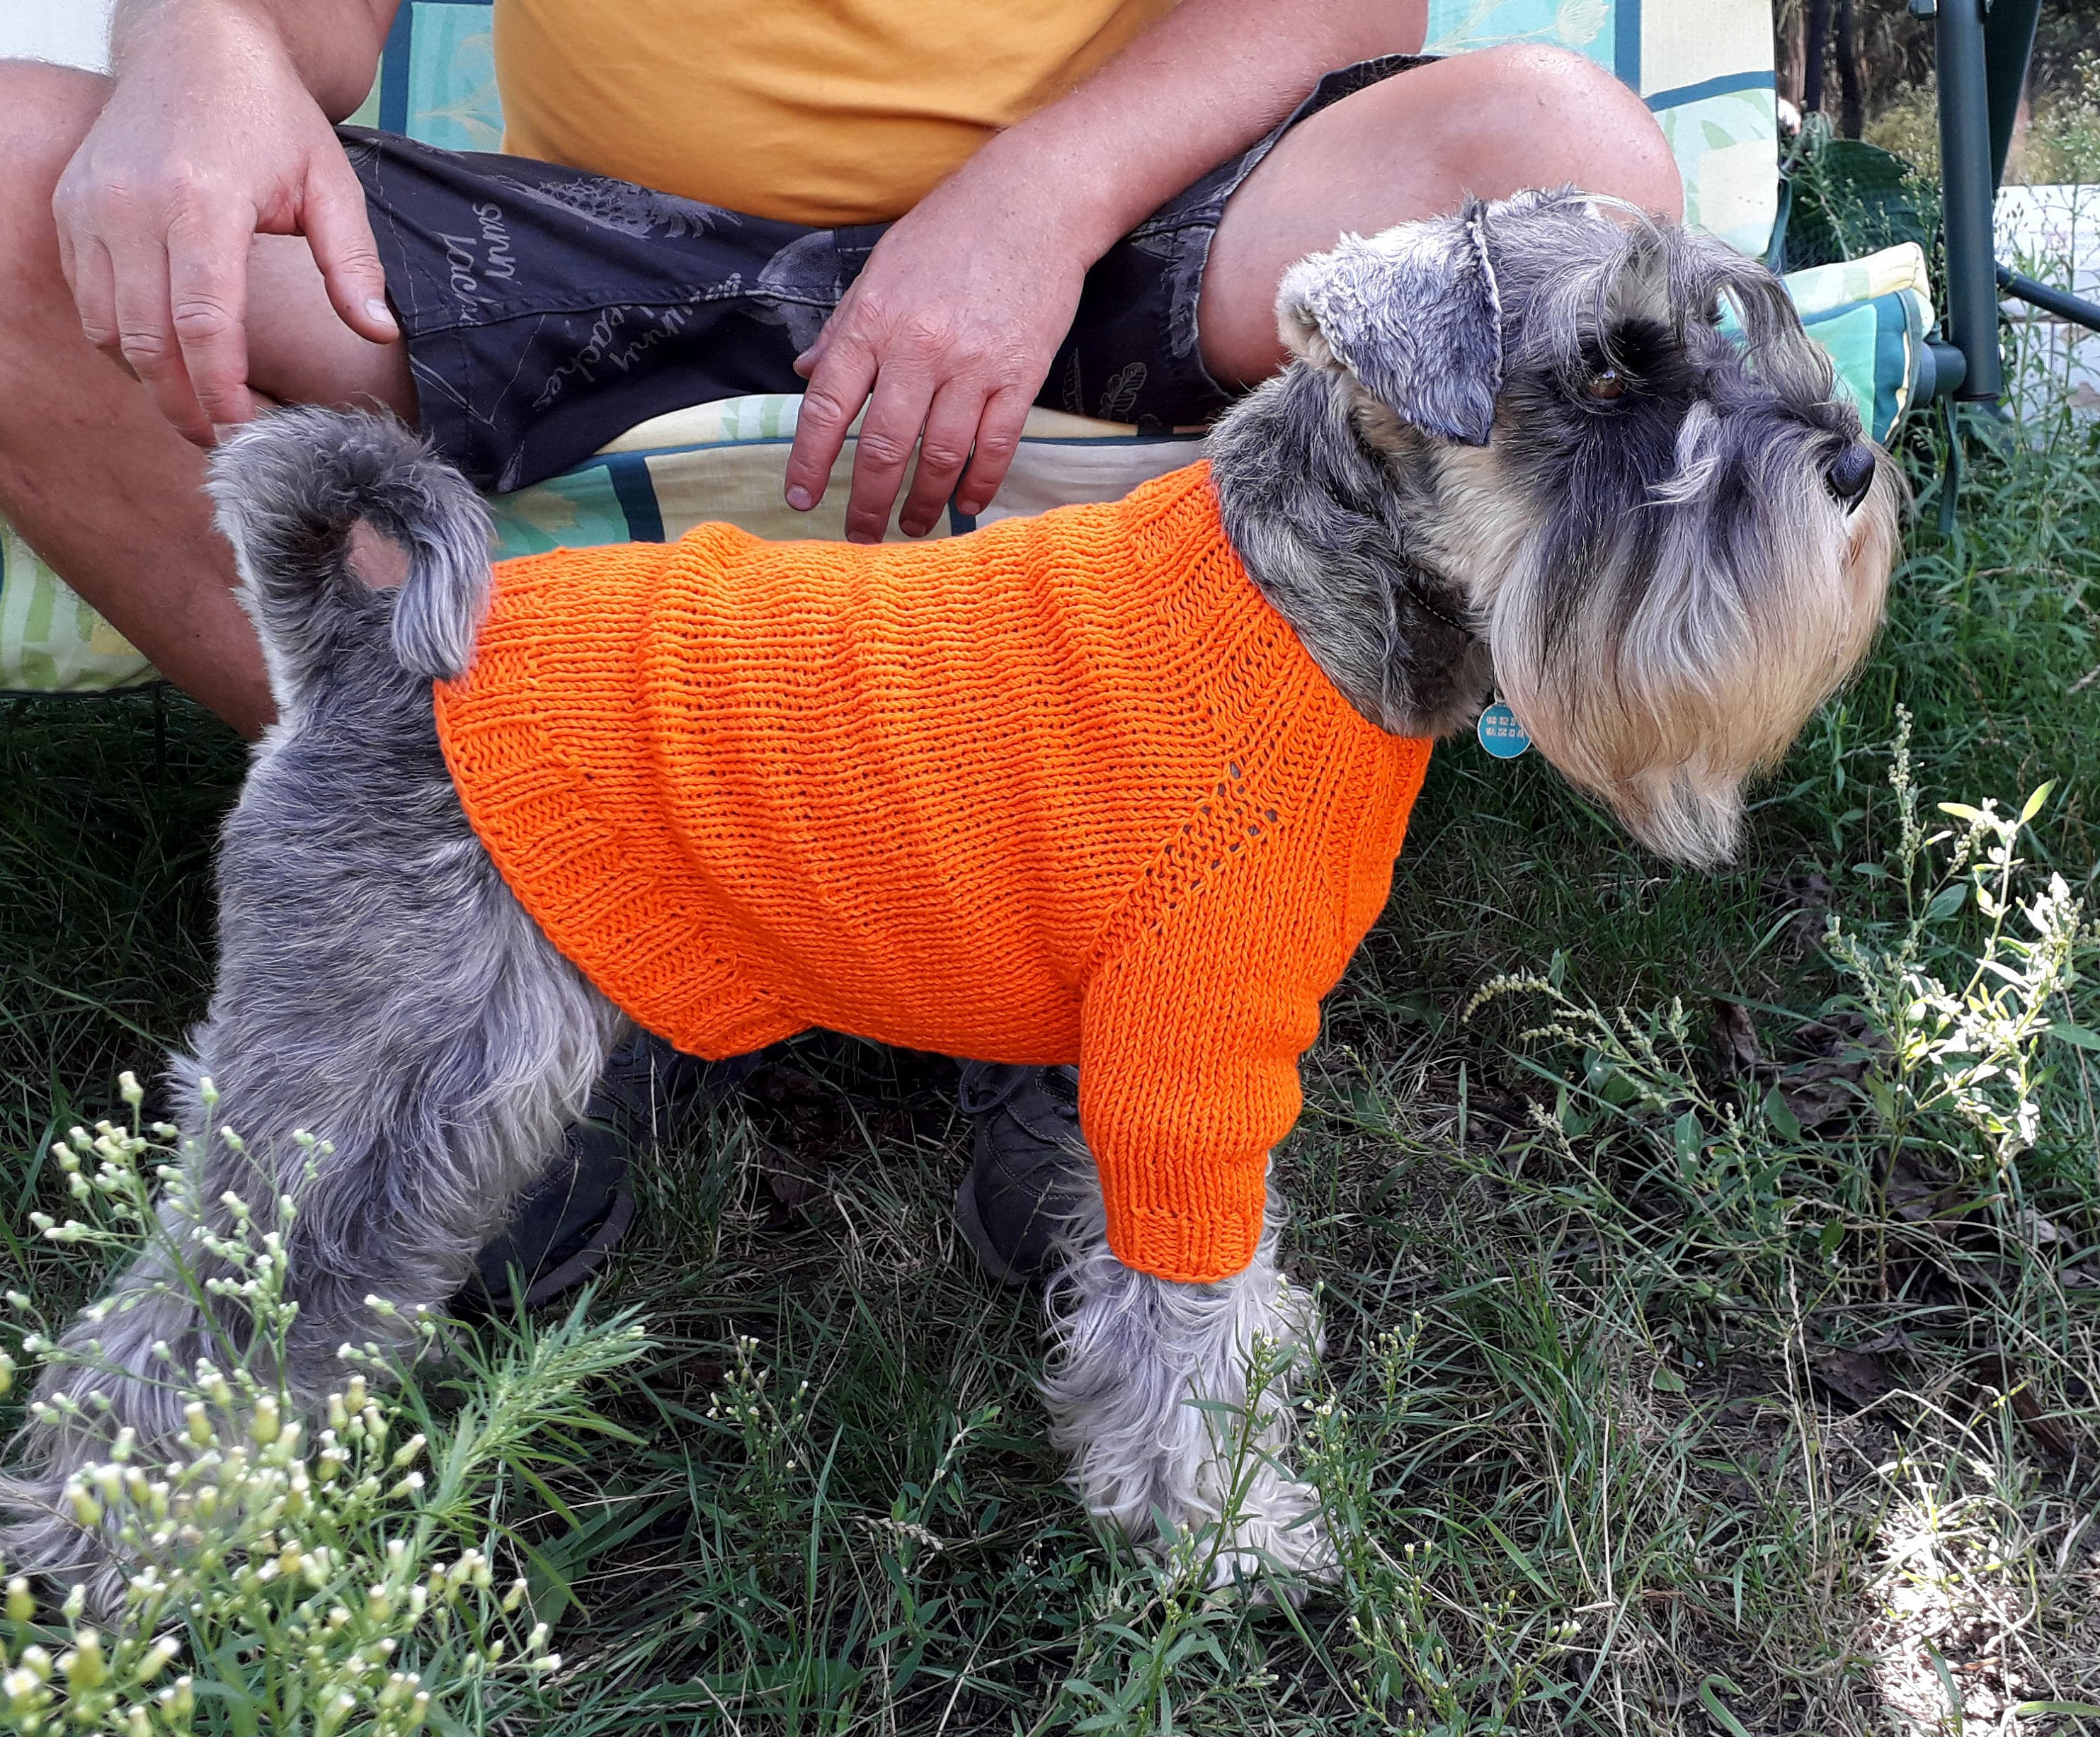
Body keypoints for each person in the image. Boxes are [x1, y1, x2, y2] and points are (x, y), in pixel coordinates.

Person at [0, 0, 1682, 1297]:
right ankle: (516, 879)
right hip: (595, 242)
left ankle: (1110, 952)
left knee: (1561, 157)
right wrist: (201, 40)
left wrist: (1039, 192)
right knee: (12, 175)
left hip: (1126, 210)